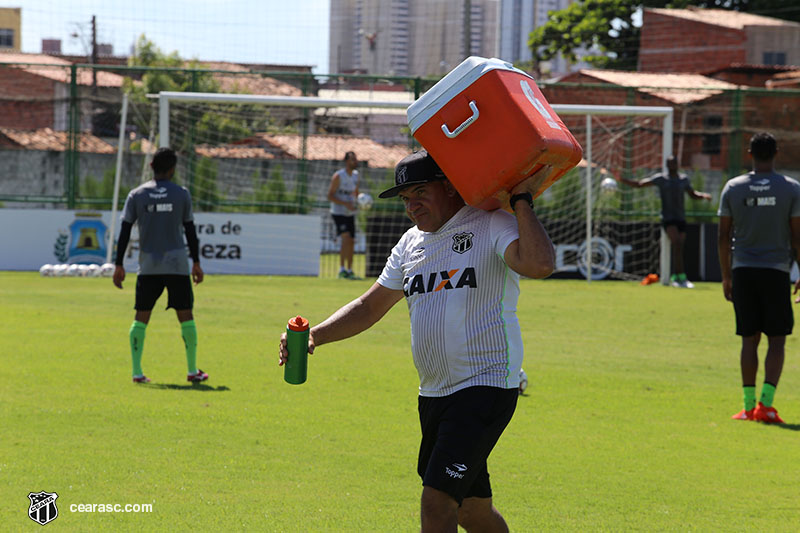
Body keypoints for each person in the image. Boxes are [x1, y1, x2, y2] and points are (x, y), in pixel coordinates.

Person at [279, 150, 555, 532]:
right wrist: (314, 335)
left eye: (420, 193)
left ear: (449, 186)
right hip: (434, 395)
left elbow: (539, 264)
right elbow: (369, 306)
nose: (412, 206)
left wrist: (521, 199)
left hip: (484, 387)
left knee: (437, 500)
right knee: (471, 511)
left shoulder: (491, 223)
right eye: (406, 199)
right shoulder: (410, 244)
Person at [718, 132, 800, 424]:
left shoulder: (733, 187)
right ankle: (765, 405)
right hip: (776, 271)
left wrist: (727, 277)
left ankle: (747, 405)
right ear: (776, 153)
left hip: (743, 271)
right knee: (777, 340)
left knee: (748, 339)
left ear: (749, 154)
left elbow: (723, 236)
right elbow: (797, 236)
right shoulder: (791, 189)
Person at [113, 147, 208, 384]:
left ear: (151, 167)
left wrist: (118, 264)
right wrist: (196, 262)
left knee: (140, 318)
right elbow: (190, 230)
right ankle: (192, 370)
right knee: (186, 316)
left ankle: (137, 372)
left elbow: (125, 230)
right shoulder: (181, 194)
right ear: (173, 169)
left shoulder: (137, 195)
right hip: (176, 265)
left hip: (148, 266)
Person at [614, 155, 712, 288]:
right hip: (668, 219)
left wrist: (704, 196)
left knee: (680, 246)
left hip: (680, 218)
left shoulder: (683, 179)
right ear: (667, 165)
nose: (673, 165)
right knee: (676, 243)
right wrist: (621, 179)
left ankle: (677, 276)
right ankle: (680, 278)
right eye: (670, 163)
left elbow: (692, 194)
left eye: (675, 163)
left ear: (677, 164)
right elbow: (639, 184)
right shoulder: (661, 179)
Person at [327, 151, 359, 279]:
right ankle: (341, 270)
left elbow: (356, 193)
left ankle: (350, 270)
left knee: (351, 241)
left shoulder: (356, 175)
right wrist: (345, 203)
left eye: (355, 159)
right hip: (338, 212)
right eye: (352, 159)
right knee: (345, 238)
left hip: (350, 212)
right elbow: (330, 195)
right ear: (346, 161)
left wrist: (360, 200)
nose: (355, 162)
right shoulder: (338, 176)